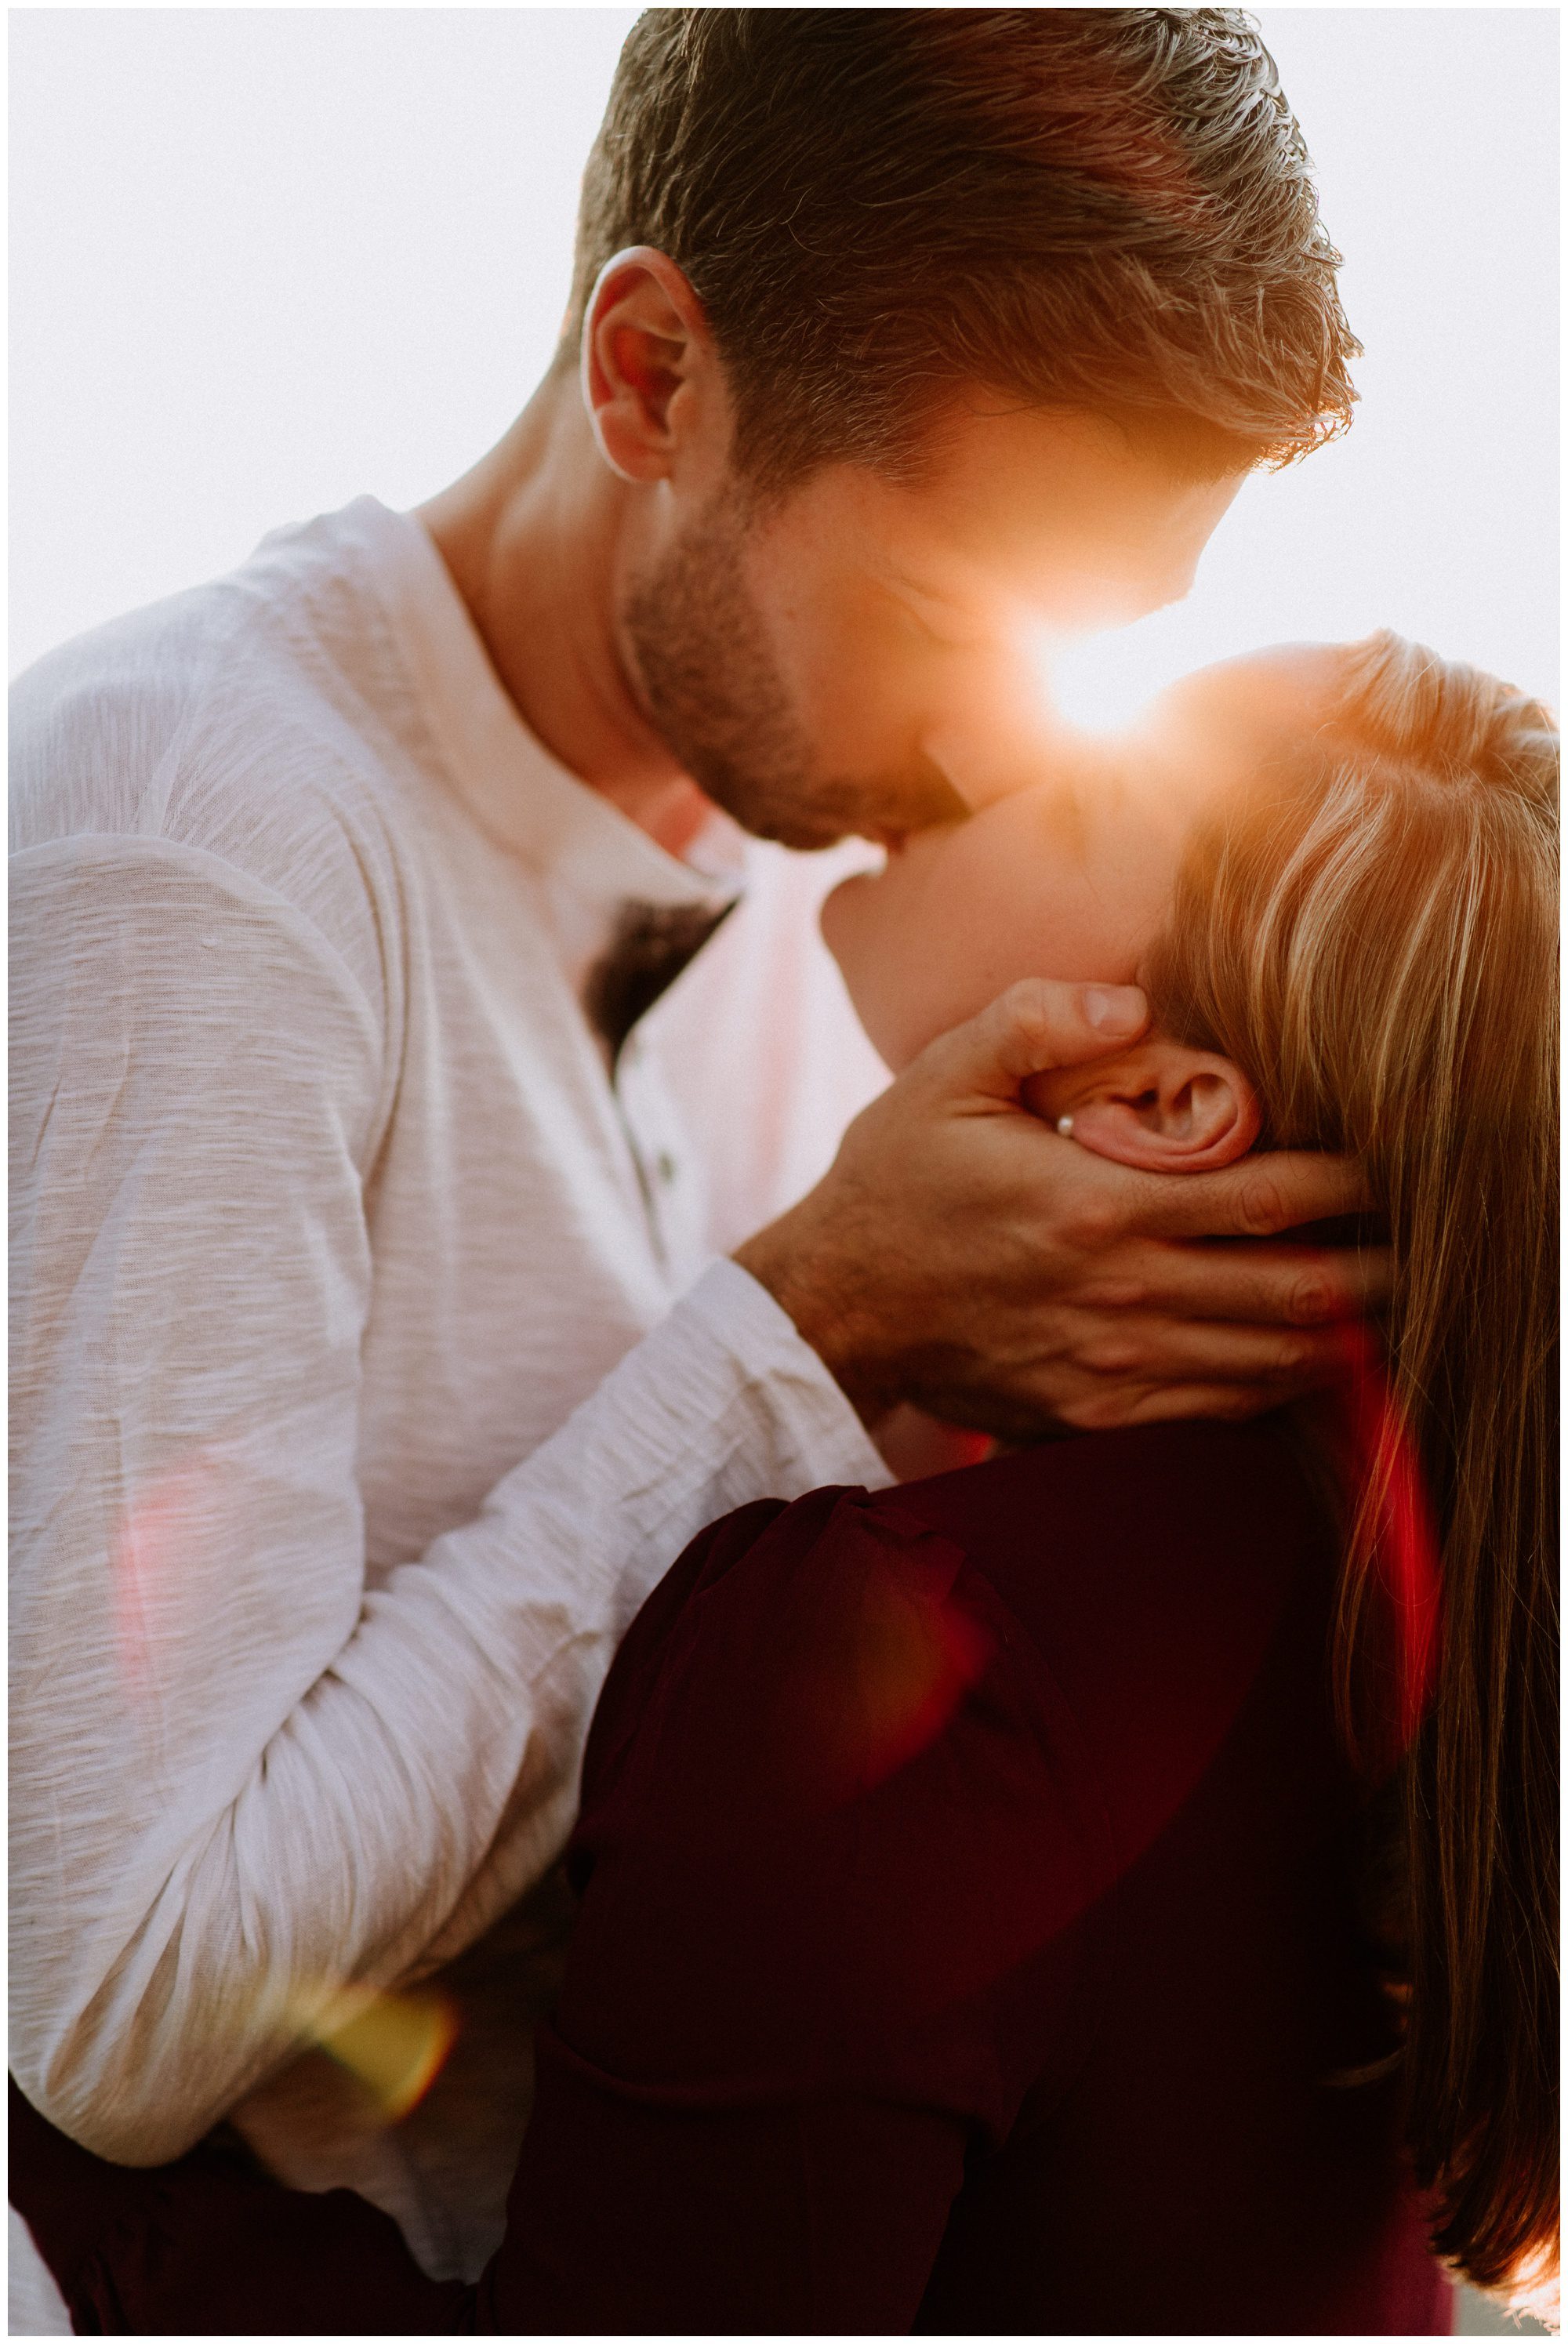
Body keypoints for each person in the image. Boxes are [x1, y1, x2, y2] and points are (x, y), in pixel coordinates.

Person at [9, 9, 1372, 2326]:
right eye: (947, 618)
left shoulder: (828, 890)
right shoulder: (199, 846)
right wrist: (812, 1317)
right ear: (653, 377)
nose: (996, 745)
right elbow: (119, 1999)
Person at [12, 630, 1557, 2334]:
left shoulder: (896, 1655)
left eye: (1089, 782)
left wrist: (67, 2182)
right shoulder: (1388, 1592)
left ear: (1163, 1099)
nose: (987, 741)